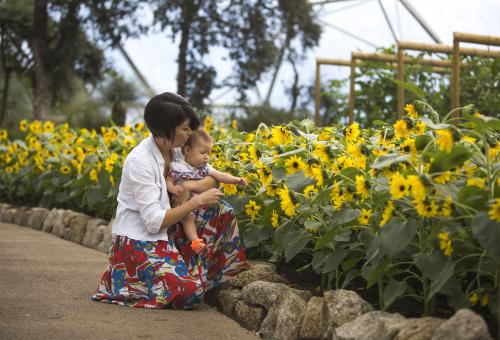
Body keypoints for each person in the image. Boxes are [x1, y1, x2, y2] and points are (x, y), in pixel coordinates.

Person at [91, 92, 248, 309]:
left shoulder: (178, 151)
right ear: (165, 129)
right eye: (184, 128)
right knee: (188, 294)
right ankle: (128, 282)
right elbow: (154, 222)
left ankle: (206, 281)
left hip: (170, 229)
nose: (189, 133)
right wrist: (196, 201)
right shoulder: (140, 161)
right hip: (141, 239)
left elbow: (211, 179)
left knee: (222, 210)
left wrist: (191, 187)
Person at [166, 129, 248, 255]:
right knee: (189, 218)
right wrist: (172, 188)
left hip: (203, 202)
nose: (206, 157)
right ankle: (196, 242)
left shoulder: (205, 167)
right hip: (185, 205)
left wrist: (237, 180)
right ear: (187, 151)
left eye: (208, 153)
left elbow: (220, 176)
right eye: (202, 153)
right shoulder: (179, 166)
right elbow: (169, 180)